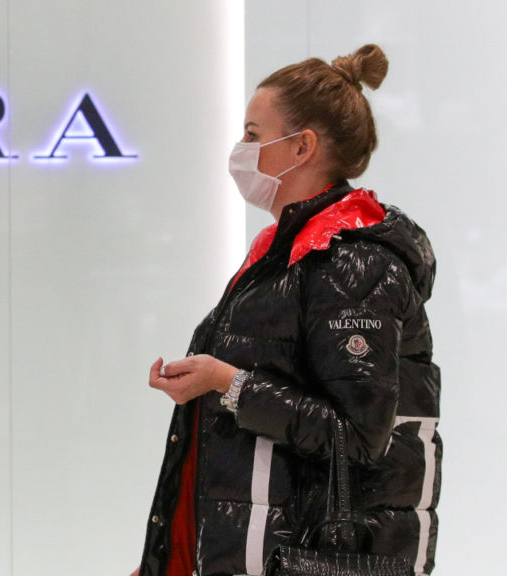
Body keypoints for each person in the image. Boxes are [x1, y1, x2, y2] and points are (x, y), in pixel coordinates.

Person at [132, 44, 441, 576]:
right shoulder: (284, 255)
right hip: (257, 555)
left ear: (302, 147)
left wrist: (226, 382)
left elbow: (358, 436)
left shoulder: (354, 267)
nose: (241, 149)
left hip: (306, 559)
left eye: (254, 134)